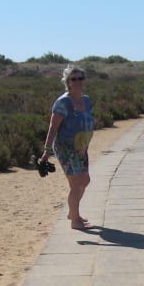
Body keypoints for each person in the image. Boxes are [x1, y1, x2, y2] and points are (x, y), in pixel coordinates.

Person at [39, 65, 95, 230]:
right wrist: (46, 151)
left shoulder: (86, 100)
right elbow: (53, 127)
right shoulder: (63, 102)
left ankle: (73, 212)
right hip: (66, 148)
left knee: (84, 181)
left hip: (81, 147)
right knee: (79, 182)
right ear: (68, 82)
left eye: (80, 78)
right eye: (73, 79)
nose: (77, 82)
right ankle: (75, 221)